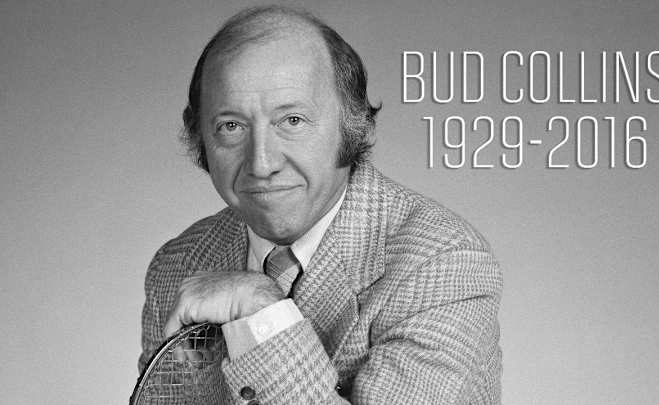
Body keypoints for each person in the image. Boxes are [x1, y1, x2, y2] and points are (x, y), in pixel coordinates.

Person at [139, 5, 502, 404]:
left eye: (292, 121)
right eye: (232, 126)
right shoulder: (177, 265)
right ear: (200, 138)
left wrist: (262, 311)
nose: (262, 164)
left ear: (354, 125)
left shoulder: (444, 263)